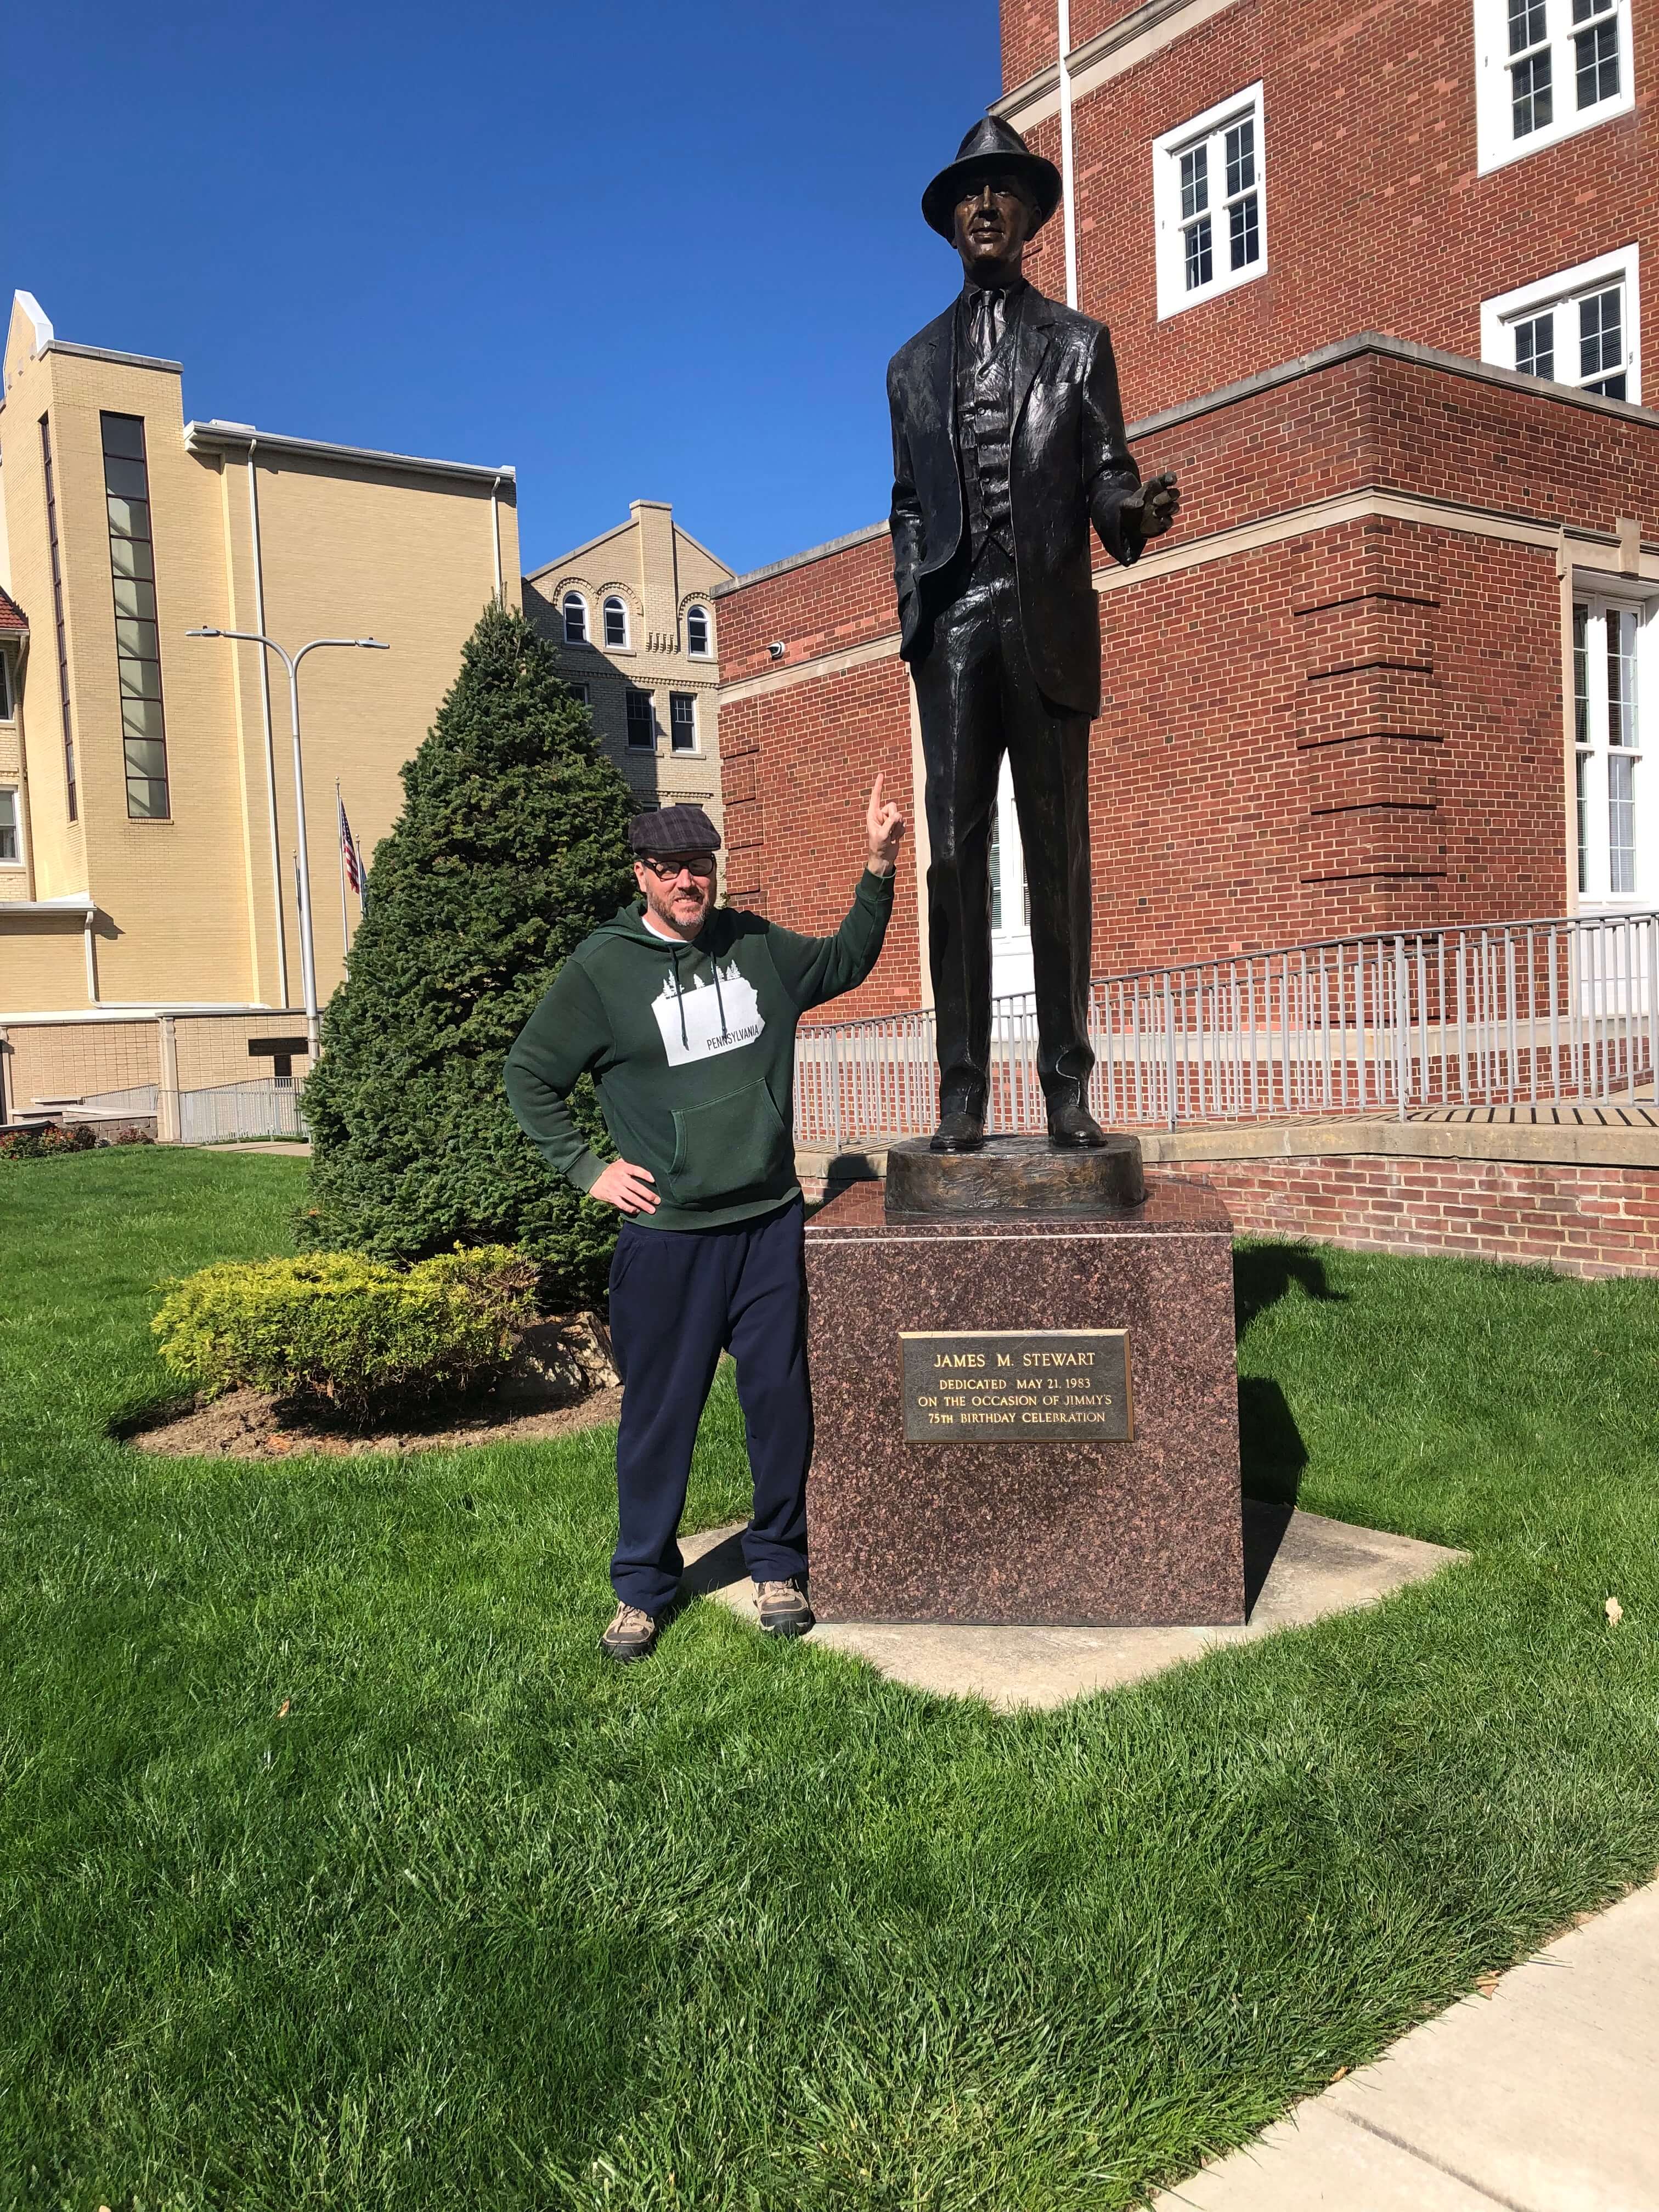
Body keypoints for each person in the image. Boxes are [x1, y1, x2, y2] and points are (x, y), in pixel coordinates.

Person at [504, 784, 905, 1662]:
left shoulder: (753, 944)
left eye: (701, 865)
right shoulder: (602, 970)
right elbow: (529, 1075)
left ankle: (777, 1566)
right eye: (672, 868)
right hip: (668, 1241)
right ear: (641, 875)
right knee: (661, 1416)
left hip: (766, 1226)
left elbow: (843, 963)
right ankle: (642, 1588)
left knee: (777, 1405)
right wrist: (588, 1168)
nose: (690, 880)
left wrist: (877, 867)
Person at [888, 115, 1182, 1153]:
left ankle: (1066, 1085)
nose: (984, 207)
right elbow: (909, 500)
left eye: (1003, 192)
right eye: (970, 194)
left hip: (1046, 621)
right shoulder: (912, 367)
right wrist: (914, 604)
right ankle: (960, 1088)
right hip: (955, 627)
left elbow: (1107, 471)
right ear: (951, 222)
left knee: (1058, 859)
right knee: (954, 861)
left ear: (1028, 217)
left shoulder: (1079, 345)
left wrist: (1131, 518)